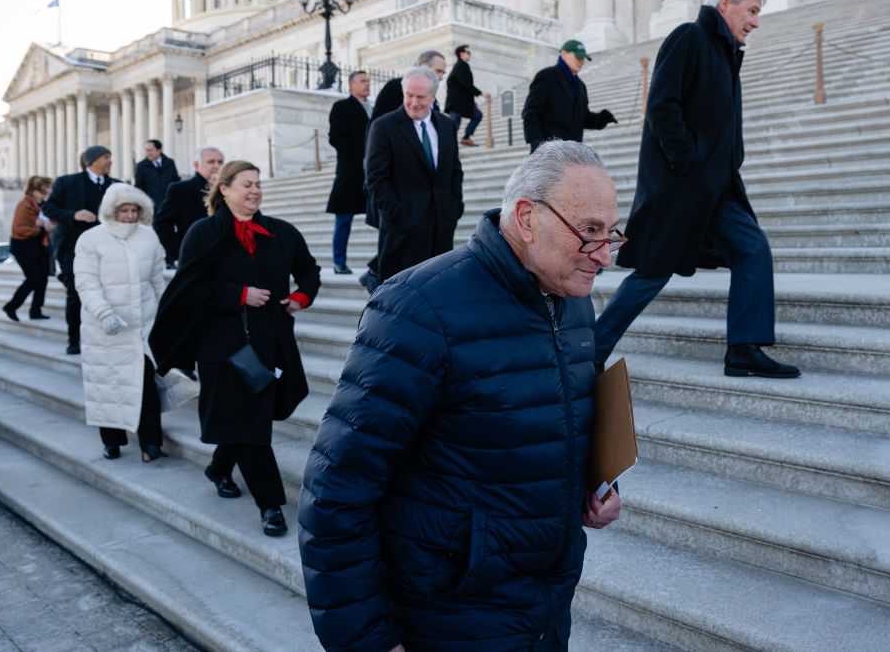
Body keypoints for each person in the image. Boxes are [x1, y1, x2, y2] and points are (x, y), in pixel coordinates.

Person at [299, 142, 625, 652]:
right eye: (589, 233)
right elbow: (337, 489)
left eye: (611, 234)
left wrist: (592, 486)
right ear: (526, 217)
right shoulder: (419, 307)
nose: (604, 255)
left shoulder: (573, 302)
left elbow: (552, 423)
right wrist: (368, 640)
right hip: (449, 617)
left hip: (544, 606)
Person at [596, 0, 800, 379]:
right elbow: (662, 107)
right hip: (683, 187)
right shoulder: (689, 37)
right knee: (652, 273)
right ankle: (588, 352)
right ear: (726, 3)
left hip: (717, 188)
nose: (756, 22)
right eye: (753, 10)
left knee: (751, 249)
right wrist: (688, 165)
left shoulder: (726, 52)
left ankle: (743, 348)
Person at [150, 160, 320, 538]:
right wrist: (238, 294)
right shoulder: (202, 233)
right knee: (250, 423)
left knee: (251, 416)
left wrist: (299, 297)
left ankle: (220, 466)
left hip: (270, 348)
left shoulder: (281, 232)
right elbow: (186, 291)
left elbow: (309, 270)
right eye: (246, 184)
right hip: (220, 348)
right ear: (223, 189)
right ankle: (270, 504)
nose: (255, 190)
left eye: (258, 184)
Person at [74, 184, 168, 462]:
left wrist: (165, 314)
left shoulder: (149, 237)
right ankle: (112, 441)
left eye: (134, 210)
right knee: (108, 384)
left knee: (146, 384)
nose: (129, 216)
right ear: (111, 211)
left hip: (143, 324)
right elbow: (86, 282)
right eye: (123, 210)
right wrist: (104, 313)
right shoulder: (90, 239)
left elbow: (157, 278)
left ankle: (151, 443)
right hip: (104, 326)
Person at [366, 66, 464, 282]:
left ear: (433, 96)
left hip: (441, 230)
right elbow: (375, 179)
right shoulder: (383, 127)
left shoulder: (447, 125)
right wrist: (397, 215)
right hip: (401, 233)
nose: (413, 102)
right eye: (409, 95)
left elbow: (454, 171)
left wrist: (454, 208)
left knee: (437, 292)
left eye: (421, 97)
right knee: (400, 298)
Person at [42, 145, 118, 355]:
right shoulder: (67, 182)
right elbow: (48, 208)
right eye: (106, 157)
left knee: (107, 295)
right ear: (91, 161)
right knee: (75, 295)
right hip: (72, 250)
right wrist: (73, 215)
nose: (110, 161)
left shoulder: (117, 185)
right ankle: (74, 341)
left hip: (108, 251)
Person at [522, 39, 617, 154]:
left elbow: (583, 118)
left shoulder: (580, 86)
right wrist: (536, 142)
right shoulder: (546, 76)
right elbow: (531, 112)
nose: (581, 61)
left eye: (583, 58)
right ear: (564, 54)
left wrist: (601, 119)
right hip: (548, 152)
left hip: (572, 154)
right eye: (578, 57)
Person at [326, 71, 371, 275]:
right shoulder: (341, 107)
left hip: (373, 172)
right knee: (344, 220)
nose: (367, 84)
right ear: (351, 85)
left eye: (368, 81)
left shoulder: (373, 108)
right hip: (350, 172)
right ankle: (339, 262)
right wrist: (356, 155)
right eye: (362, 81)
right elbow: (334, 137)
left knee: (388, 217)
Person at [154, 146, 225, 268]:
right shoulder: (181, 189)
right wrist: (179, 251)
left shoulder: (229, 190)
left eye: (220, 162)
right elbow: (162, 224)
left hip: (225, 256)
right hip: (195, 259)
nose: (216, 166)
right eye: (211, 162)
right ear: (196, 165)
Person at [3, 176, 53, 322]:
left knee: (42, 278)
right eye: (46, 188)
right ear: (35, 189)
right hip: (23, 245)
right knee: (33, 279)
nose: (49, 191)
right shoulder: (24, 205)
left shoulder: (42, 204)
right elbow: (19, 229)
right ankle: (11, 306)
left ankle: (36, 310)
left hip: (38, 245)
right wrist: (39, 227)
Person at [445, 44, 491, 147]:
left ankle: (466, 138)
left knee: (476, 115)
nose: (470, 55)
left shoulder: (460, 66)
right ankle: (448, 146)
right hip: (457, 103)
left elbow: (464, 86)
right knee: (455, 125)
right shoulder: (461, 66)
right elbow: (466, 84)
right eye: (468, 52)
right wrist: (481, 93)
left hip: (462, 102)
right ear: (461, 54)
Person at [134, 139, 181, 226]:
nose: (147, 153)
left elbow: (176, 182)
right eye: (146, 150)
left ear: (159, 150)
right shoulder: (141, 166)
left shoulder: (170, 163)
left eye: (150, 150)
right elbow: (138, 188)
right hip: (152, 208)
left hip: (169, 206)